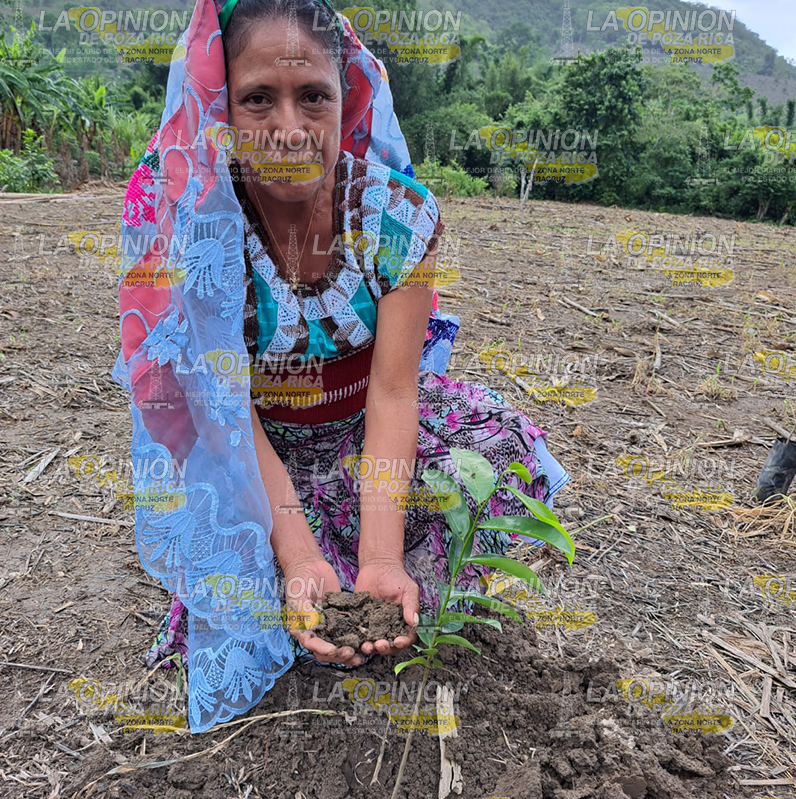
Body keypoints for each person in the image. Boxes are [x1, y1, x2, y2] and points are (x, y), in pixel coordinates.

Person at [113, 0, 570, 734]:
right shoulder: (198, 227)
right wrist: (295, 550)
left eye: (313, 97)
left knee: (497, 453)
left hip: (367, 432)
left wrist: (381, 557)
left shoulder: (399, 217)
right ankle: (307, 572)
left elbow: (393, 392)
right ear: (222, 107)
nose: (290, 129)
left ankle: (386, 577)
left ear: (346, 96)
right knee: (242, 559)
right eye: (258, 98)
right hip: (257, 450)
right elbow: (224, 413)